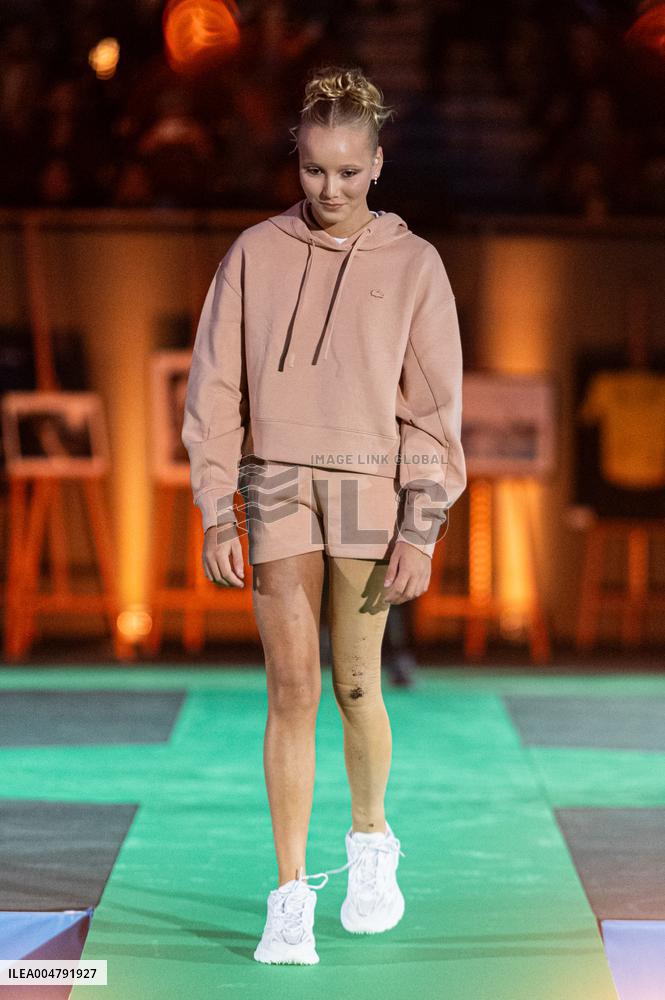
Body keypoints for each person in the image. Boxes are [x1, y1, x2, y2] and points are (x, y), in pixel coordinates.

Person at [181, 64, 466, 965]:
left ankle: (372, 842)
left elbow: (432, 405)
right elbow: (214, 388)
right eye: (313, 171)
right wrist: (214, 508)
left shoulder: (415, 264)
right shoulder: (253, 254)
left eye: (347, 171)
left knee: (353, 686)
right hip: (272, 484)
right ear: (294, 159)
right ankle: (288, 893)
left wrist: (422, 521)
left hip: (367, 487)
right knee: (290, 691)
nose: (329, 189)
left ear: (377, 163)